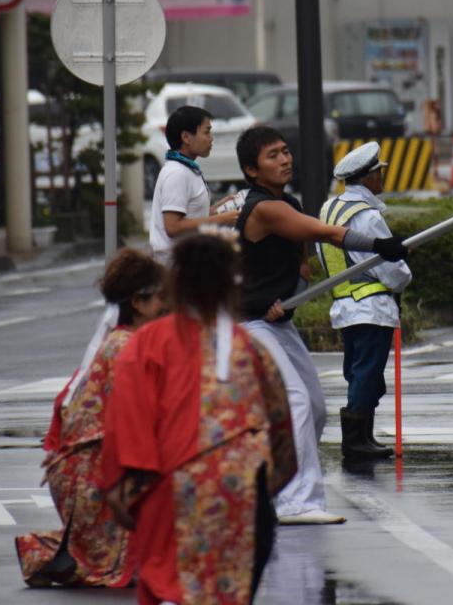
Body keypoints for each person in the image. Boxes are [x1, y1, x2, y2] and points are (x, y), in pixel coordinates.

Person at [98, 232, 297, 605]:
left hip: (169, 494)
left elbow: (128, 429)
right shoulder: (250, 348)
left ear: (176, 282)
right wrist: (257, 487)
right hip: (242, 497)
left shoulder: (145, 345)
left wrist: (124, 495)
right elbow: (281, 436)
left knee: (173, 589)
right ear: (233, 283)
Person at [234, 126, 409, 524]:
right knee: (294, 400)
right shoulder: (264, 207)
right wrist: (378, 244)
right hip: (249, 323)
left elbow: (303, 268)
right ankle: (297, 503)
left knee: (314, 406)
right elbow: (327, 233)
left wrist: (283, 297)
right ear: (251, 170)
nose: (284, 159)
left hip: (274, 320)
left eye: (284, 152)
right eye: (272, 156)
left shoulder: (289, 203)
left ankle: (279, 489)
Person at [15, 249, 167, 588]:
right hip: (94, 473)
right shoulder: (126, 348)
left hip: (94, 471)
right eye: (162, 298)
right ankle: (49, 553)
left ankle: (65, 550)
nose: (168, 306)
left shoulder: (131, 341)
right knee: (133, 566)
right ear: (139, 303)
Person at [318, 142, 412, 461]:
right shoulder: (367, 216)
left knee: (358, 374)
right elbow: (391, 270)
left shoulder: (329, 209)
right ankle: (356, 442)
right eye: (379, 172)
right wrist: (404, 276)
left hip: (344, 307)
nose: (382, 177)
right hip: (372, 308)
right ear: (368, 178)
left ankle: (363, 437)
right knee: (367, 375)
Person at [148, 105, 239, 265]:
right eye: (206, 132)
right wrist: (223, 219)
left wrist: (213, 211)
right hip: (176, 268)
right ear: (186, 137)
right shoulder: (177, 173)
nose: (211, 138)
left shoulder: (186, 168)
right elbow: (173, 227)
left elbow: (188, 217)